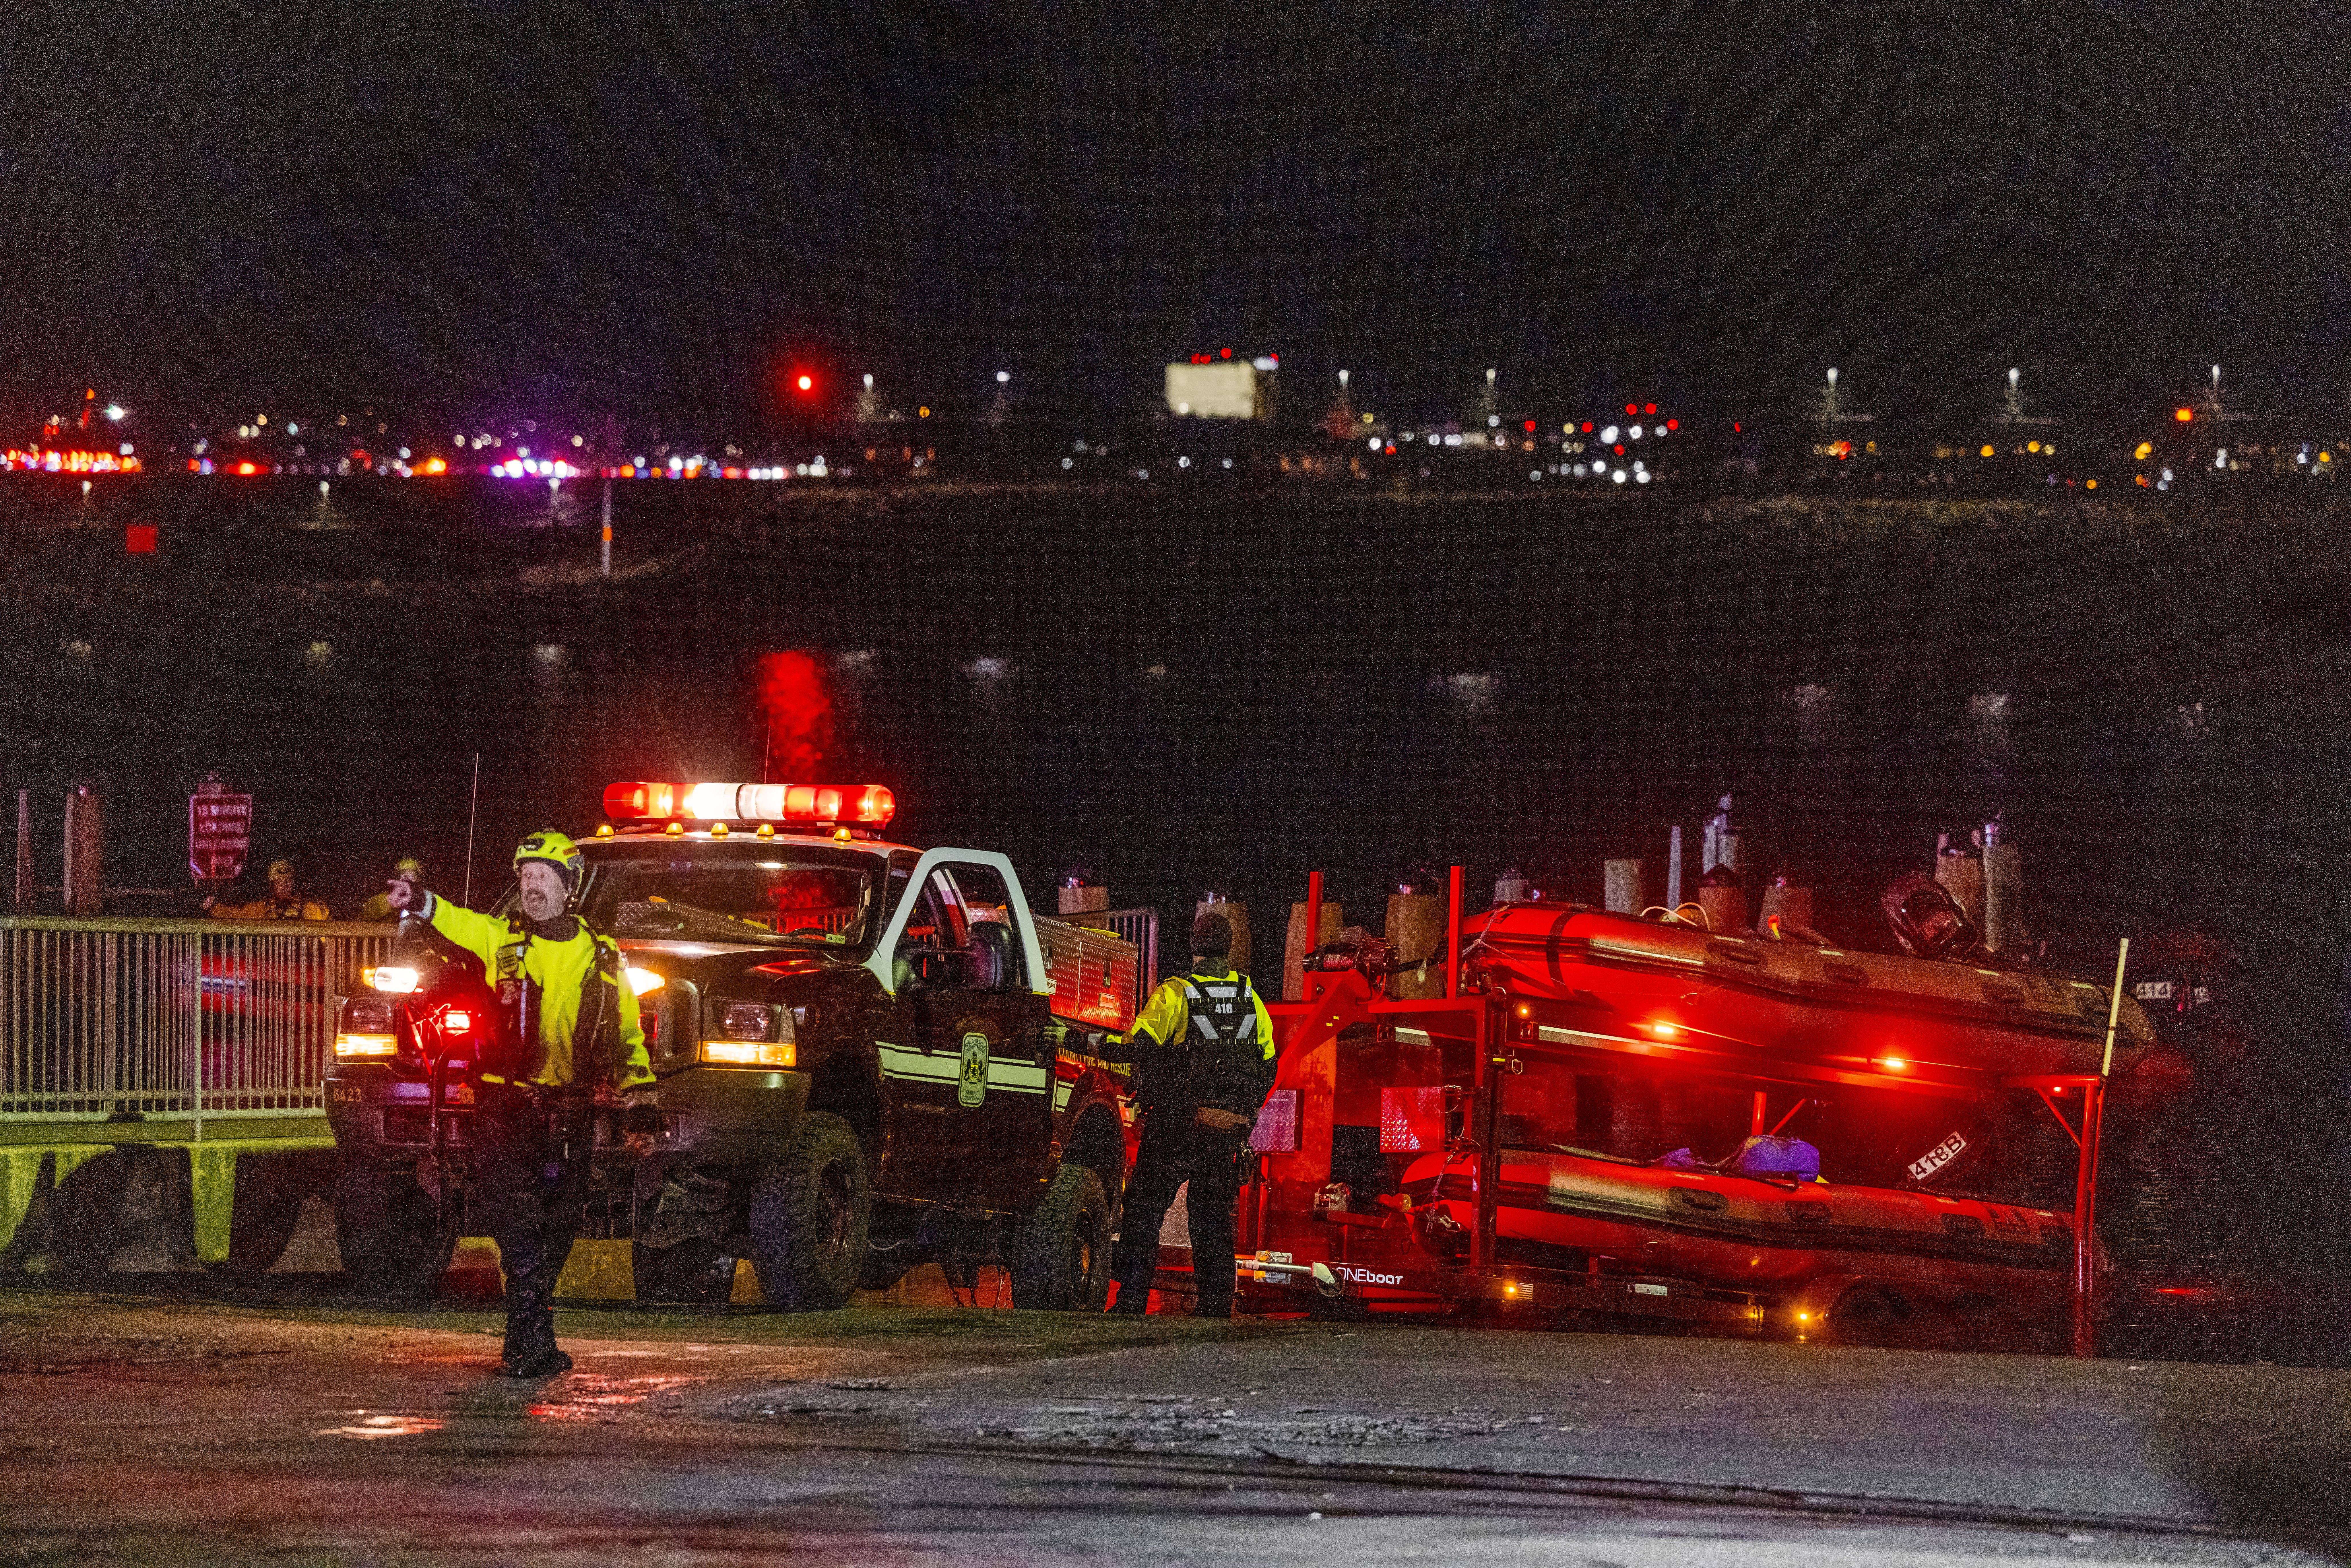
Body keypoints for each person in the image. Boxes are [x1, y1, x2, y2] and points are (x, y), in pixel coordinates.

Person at [382, 829, 657, 1378]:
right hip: (504, 1106)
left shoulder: (602, 955)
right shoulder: (501, 940)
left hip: (570, 1111)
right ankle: (534, 1339)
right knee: (516, 1219)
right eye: (525, 877)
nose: (530, 886)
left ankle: (525, 1332)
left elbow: (628, 1034)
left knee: (558, 1226)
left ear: (568, 886)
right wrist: (418, 900)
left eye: (542, 877)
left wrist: (640, 1108)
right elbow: (458, 919)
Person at [1102, 911, 1276, 1318]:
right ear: (1229, 947)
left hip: (1175, 1124)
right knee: (1212, 1215)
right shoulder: (1251, 998)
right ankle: (1215, 1307)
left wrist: (1087, 1041)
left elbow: (1137, 1045)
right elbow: (1267, 1064)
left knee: (1145, 1210)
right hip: (1224, 1130)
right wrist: (1241, 1114)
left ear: (1194, 945)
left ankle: (1131, 1303)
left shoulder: (1176, 994)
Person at [203, 858, 329, 920]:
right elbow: (235, 914)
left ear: (293, 884)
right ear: (272, 885)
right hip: (271, 966)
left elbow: (330, 929)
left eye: (288, 881)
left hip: (302, 966)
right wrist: (211, 905)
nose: (284, 886)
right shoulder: (263, 908)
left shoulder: (309, 908)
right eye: (279, 882)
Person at [357, 857, 424, 922]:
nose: (406, 876)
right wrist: (389, 902)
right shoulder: (391, 896)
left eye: (411, 873)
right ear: (399, 877)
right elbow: (364, 914)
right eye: (403, 873)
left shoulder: (425, 897)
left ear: (418, 878)